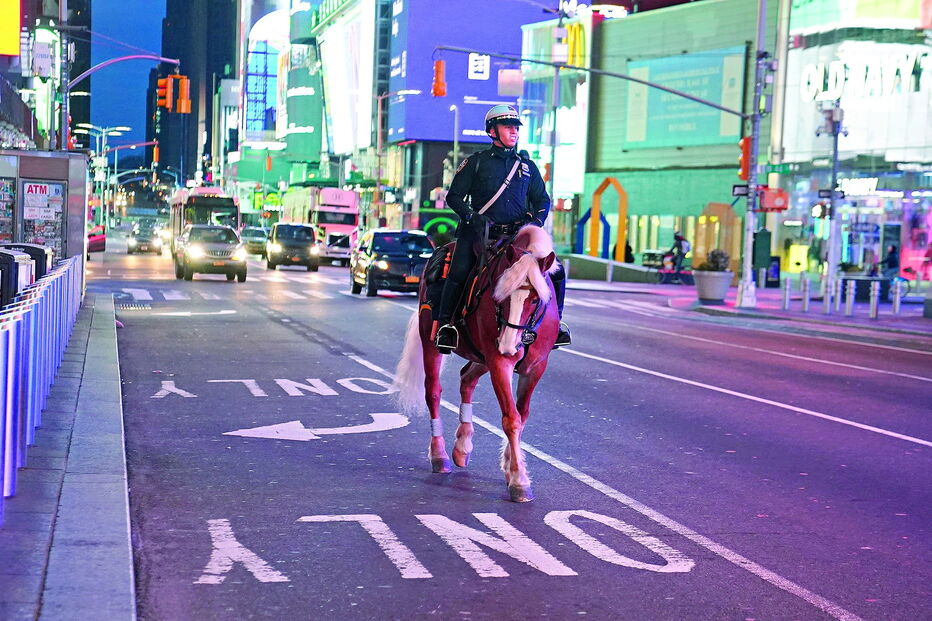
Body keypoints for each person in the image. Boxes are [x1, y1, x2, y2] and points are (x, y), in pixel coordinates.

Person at [434, 104, 571, 352]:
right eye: (508, 127)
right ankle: (446, 327)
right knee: (459, 272)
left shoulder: (528, 167)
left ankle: (558, 323)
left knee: (556, 271)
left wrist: (536, 223)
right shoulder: (475, 162)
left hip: (515, 237)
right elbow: (453, 197)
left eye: (516, 127)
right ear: (492, 132)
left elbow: (542, 199)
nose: (514, 131)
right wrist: (472, 217)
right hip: (478, 234)